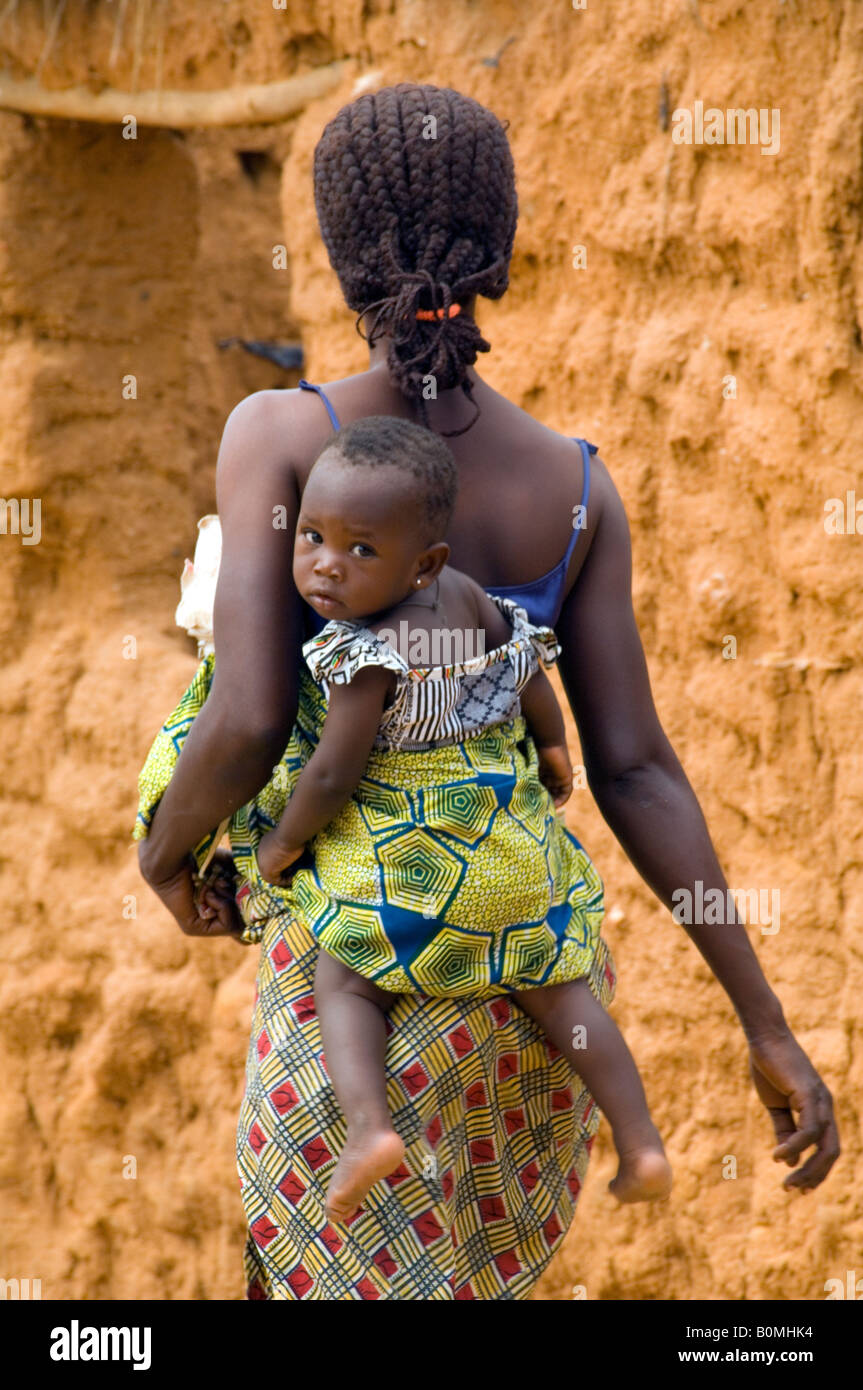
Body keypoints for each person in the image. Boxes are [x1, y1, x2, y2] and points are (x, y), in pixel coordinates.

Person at [136, 82, 838, 1301]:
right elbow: (632, 771)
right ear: (497, 245)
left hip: (363, 966)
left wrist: (165, 852)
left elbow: (249, 716)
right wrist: (763, 1024)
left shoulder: (282, 434)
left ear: (341, 248)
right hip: (524, 994)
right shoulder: (574, 486)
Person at [222, 414, 670, 1223]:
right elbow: (532, 669)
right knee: (563, 996)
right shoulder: (473, 599)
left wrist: (285, 841)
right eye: (313, 536)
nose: (327, 566)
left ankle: (368, 1131)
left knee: (345, 978)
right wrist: (556, 750)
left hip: (418, 867)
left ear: (421, 561)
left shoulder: (366, 655)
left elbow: (331, 772)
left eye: (361, 550)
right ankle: (639, 1141)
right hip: (512, 858)